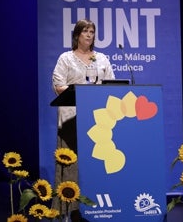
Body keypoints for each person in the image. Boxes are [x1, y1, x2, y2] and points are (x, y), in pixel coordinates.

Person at [51, 19, 115, 221]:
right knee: (72, 163)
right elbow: (57, 85)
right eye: (85, 31)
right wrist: (77, 91)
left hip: (97, 118)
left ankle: (96, 206)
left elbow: (112, 85)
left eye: (92, 31)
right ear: (77, 35)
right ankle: (68, 207)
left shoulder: (102, 59)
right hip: (72, 117)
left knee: (95, 160)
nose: (89, 35)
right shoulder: (66, 58)